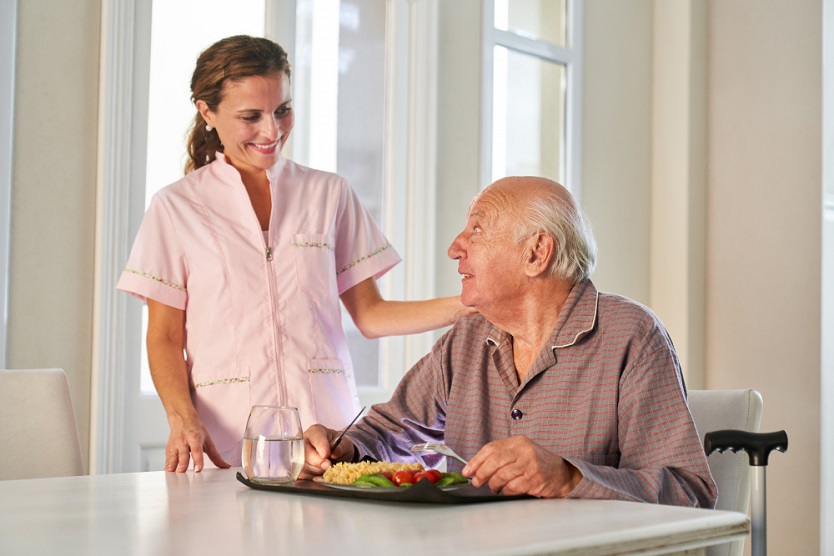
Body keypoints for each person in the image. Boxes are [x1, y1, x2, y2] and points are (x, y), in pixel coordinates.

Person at [117, 35, 470, 473]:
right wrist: (182, 417)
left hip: (330, 437)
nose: (272, 130)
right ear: (207, 113)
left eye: (282, 110)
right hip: (228, 441)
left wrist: (468, 306)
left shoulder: (328, 193)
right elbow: (165, 338)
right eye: (251, 116)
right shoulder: (176, 208)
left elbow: (371, 315)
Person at [303, 176, 718, 507]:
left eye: (477, 230)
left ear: (537, 252)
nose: (454, 248)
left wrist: (569, 478)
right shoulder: (467, 338)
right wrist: (345, 448)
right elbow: (390, 430)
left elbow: (690, 492)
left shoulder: (632, 336)